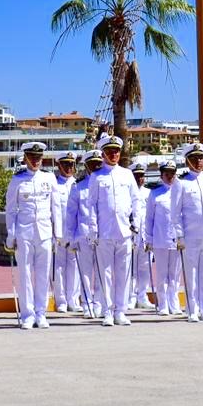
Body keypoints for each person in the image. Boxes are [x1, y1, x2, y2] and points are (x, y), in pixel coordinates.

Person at [85, 134, 141, 326]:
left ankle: (121, 311)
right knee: (105, 274)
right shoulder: (96, 177)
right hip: (105, 232)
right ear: (103, 154)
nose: (113, 154)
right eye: (109, 151)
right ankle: (108, 311)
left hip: (124, 231)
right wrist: (93, 229)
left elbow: (136, 201)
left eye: (116, 151)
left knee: (124, 273)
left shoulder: (126, 175)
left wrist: (137, 223)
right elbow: (91, 205)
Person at [5, 141, 59, 329]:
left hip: (44, 232)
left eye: (38, 157)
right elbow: (11, 209)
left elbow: (56, 207)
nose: (35, 161)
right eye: (32, 157)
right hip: (24, 232)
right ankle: (27, 314)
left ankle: (41, 313)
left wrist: (57, 233)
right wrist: (11, 235)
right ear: (26, 158)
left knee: (43, 275)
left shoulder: (49, 178)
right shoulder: (17, 180)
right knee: (25, 274)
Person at [170, 142, 203, 323]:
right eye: (194, 158)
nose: (199, 161)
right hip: (190, 236)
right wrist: (179, 236)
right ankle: (192, 309)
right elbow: (175, 213)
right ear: (187, 161)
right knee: (191, 274)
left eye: (201, 158)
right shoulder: (181, 183)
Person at [66, 150, 104, 317]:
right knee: (86, 272)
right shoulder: (78, 186)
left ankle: (101, 305)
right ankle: (88, 304)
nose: (96, 167)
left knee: (103, 271)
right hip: (83, 235)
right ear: (86, 166)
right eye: (92, 164)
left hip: (103, 235)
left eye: (98, 163)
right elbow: (71, 214)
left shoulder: (105, 183)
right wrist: (70, 238)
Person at [144, 159, 182, 316]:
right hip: (160, 240)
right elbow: (149, 219)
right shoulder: (155, 193)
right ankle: (163, 305)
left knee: (175, 275)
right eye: (167, 173)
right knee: (162, 275)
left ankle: (174, 304)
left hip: (177, 240)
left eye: (172, 173)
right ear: (162, 175)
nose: (170, 176)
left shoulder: (181, 192)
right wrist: (149, 239)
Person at [51, 152, 82, 313]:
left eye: (71, 164)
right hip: (59, 234)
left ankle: (73, 299)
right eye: (65, 164)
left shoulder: (78, 185)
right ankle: (61, 300)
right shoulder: (53, 185)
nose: (69, 168)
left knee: (75, 268)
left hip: (75, 234)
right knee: (58, 268)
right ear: (59, 165)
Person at [128, 161, 155, 311]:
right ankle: (131, 297)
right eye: (137, 176)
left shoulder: (148, 193)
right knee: (131, 268)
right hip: (132, 235)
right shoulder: (128, 192)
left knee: (145, 267)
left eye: (142, 176)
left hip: (146, 235)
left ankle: (142, 296)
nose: (140, 179)